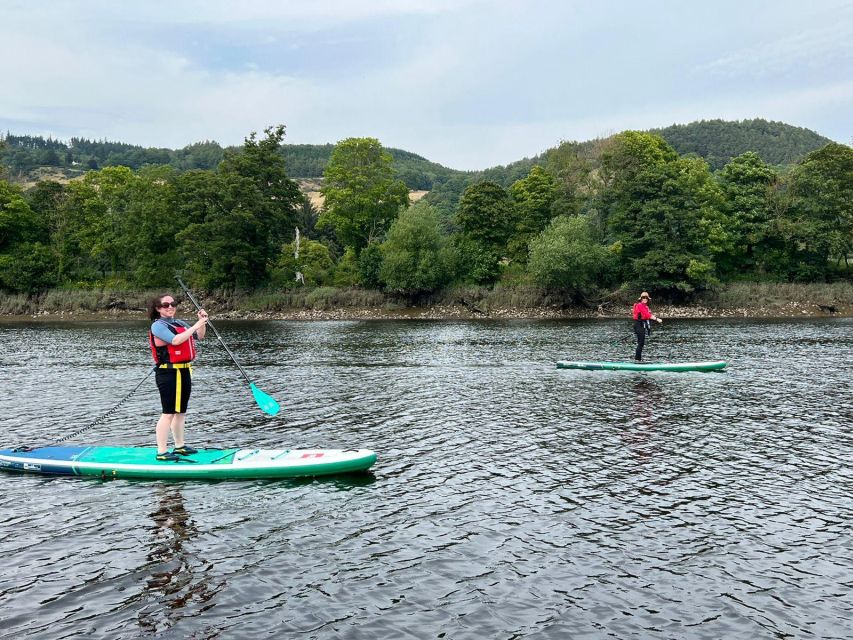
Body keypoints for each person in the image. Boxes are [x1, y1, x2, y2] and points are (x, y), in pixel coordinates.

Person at [148, 294, 208, 461]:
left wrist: (202, 322)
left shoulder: (179, 323)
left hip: (184, 371)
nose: (170, 307)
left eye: (173, 304)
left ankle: (179, 446)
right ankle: (161, 452)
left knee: (180, 412)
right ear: (158, 309)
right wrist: (196, 324)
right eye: (166, 305)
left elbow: (199, 336)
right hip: (167, 373)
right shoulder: (158, 326)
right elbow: (175, 341)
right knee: (168, 413)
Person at [632, 291, 662, 361]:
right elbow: (647, 315)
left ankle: (638, 359)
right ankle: (637, 360)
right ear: (641, 299)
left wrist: (654, 319)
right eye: (643, 298)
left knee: (641, 343)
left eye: (646, 298)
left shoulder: (646, 306)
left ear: (648, 299)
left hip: (642, 325)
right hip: (638, 325)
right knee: (641, 343)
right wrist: (657, 319)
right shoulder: (639, 305)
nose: (645, 299)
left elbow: (648, 316)